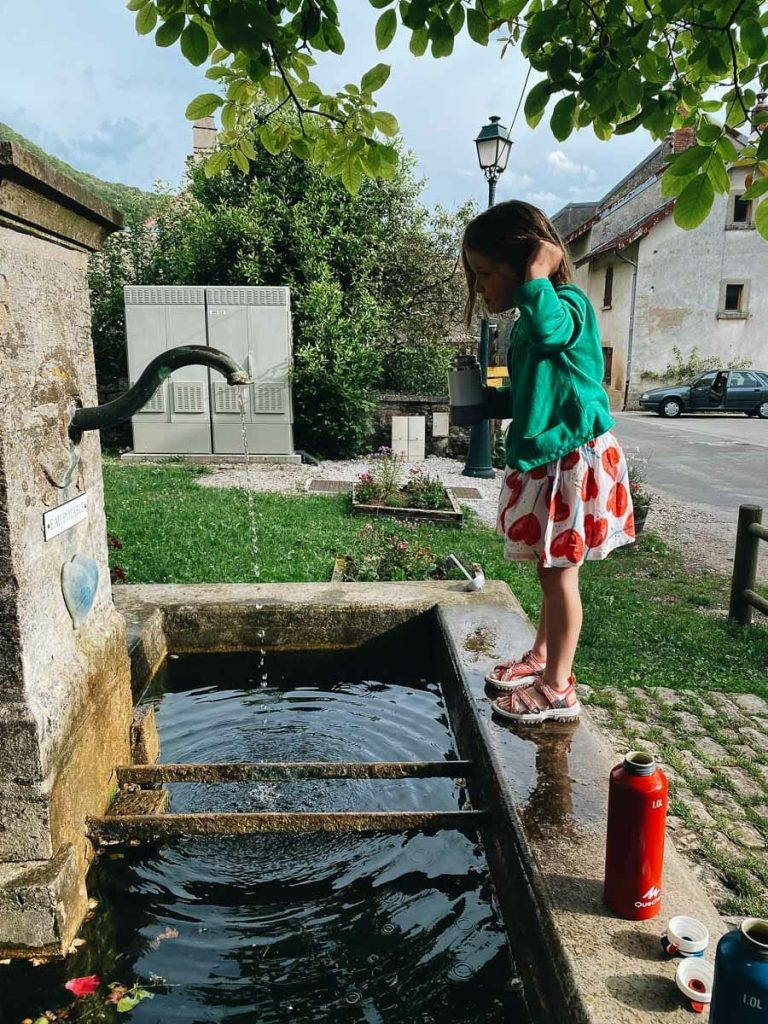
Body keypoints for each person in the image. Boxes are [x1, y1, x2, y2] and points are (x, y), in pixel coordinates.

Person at [462, 200, 635, 724]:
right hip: (547, 460)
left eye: (489, 273)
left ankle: (559, 687)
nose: (483, 286)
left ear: (528, 262)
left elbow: (552, 334)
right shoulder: (530, 317)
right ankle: (541, 658)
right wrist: (489, 402)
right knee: (547, 569)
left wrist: (539, 272)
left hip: (572, 462)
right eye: (477, 275)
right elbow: (536, 389)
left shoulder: (567, 307)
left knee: (561, 576)